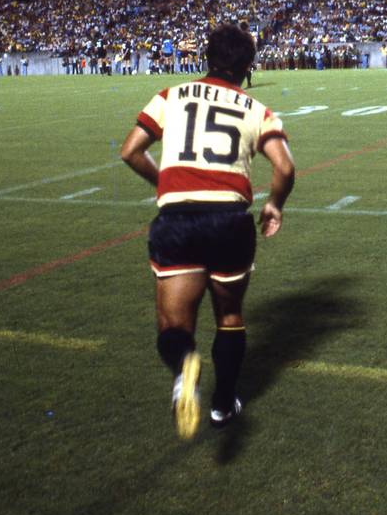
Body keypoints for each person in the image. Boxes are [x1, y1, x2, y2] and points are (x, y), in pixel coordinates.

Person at [119, 23, 295, 440]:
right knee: (229, 316)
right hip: (230, 221)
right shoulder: (257, 110)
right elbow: (284, 167)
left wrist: (166, 183)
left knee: (173, 327)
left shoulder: (170, 96)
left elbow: (130, 150)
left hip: (178, 221)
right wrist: (273, 205)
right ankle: (222, 405)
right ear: (247, 68)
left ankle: (185, 367)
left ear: (205, 59)